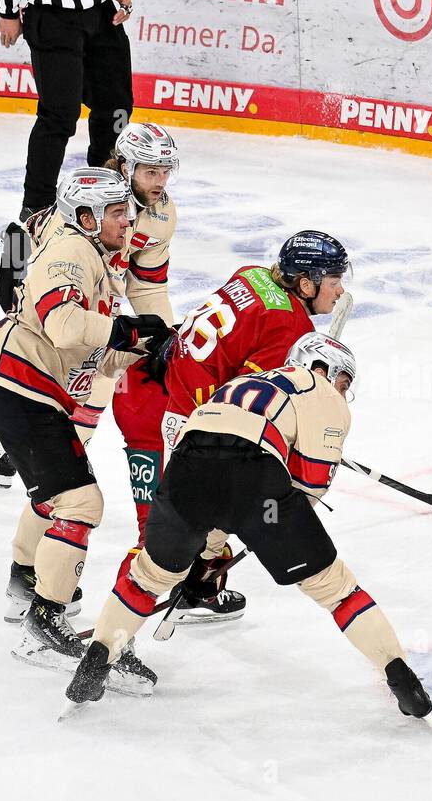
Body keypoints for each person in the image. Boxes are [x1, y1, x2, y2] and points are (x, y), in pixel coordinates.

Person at [63, 333, 432, 728]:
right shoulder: (327, 396)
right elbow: (307, 488)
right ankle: (404, 682)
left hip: (185, 473)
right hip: (255, 483)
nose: (344, 391)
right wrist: (265, 526)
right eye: (344, 380)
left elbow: (204, 473)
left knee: (148, 577)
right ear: (323, 367)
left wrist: (206, 557)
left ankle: (98, 660)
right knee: (336, 588)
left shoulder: (239, 383)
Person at [0, 167, 168, 684]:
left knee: (67, 498)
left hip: (24, 389)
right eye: (118, 212)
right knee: (80, 502)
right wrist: (126, 328)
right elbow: (64, 329)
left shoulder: (94, 257)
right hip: (18, 388)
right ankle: (44, 616)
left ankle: (33, 595)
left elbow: (88, 351)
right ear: (86, 216)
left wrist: (147, 352)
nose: (129, 222)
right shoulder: (70, 252)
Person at [108, 230, 351, 624]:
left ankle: (199, 587)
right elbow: (244, 399)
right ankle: (116, 643)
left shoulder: (254, 274)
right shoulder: (290, 329)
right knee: (161, 539)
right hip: (168, 416)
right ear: (306, 283)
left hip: (145, 388)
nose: (340, 291)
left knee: (210, 504)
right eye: (334, 280)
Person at [0, 122, 181, 494]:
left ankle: (65, 463)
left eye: (166, 172)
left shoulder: (161, 214)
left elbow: (147, 284)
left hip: (91, 290)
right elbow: (52, 266)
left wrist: (165, 335)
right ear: (125, 167)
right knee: (50, 355)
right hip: (32, 277)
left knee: (96, 372)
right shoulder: (93, 198)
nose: (160, 182)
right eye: (151, 172)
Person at [0, 0, 135, 223]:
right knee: (59, 115)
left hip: (102, 14)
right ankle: (36, 205)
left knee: (117, 106)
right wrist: (8, 11)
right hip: (51, 16)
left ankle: (106, 191)